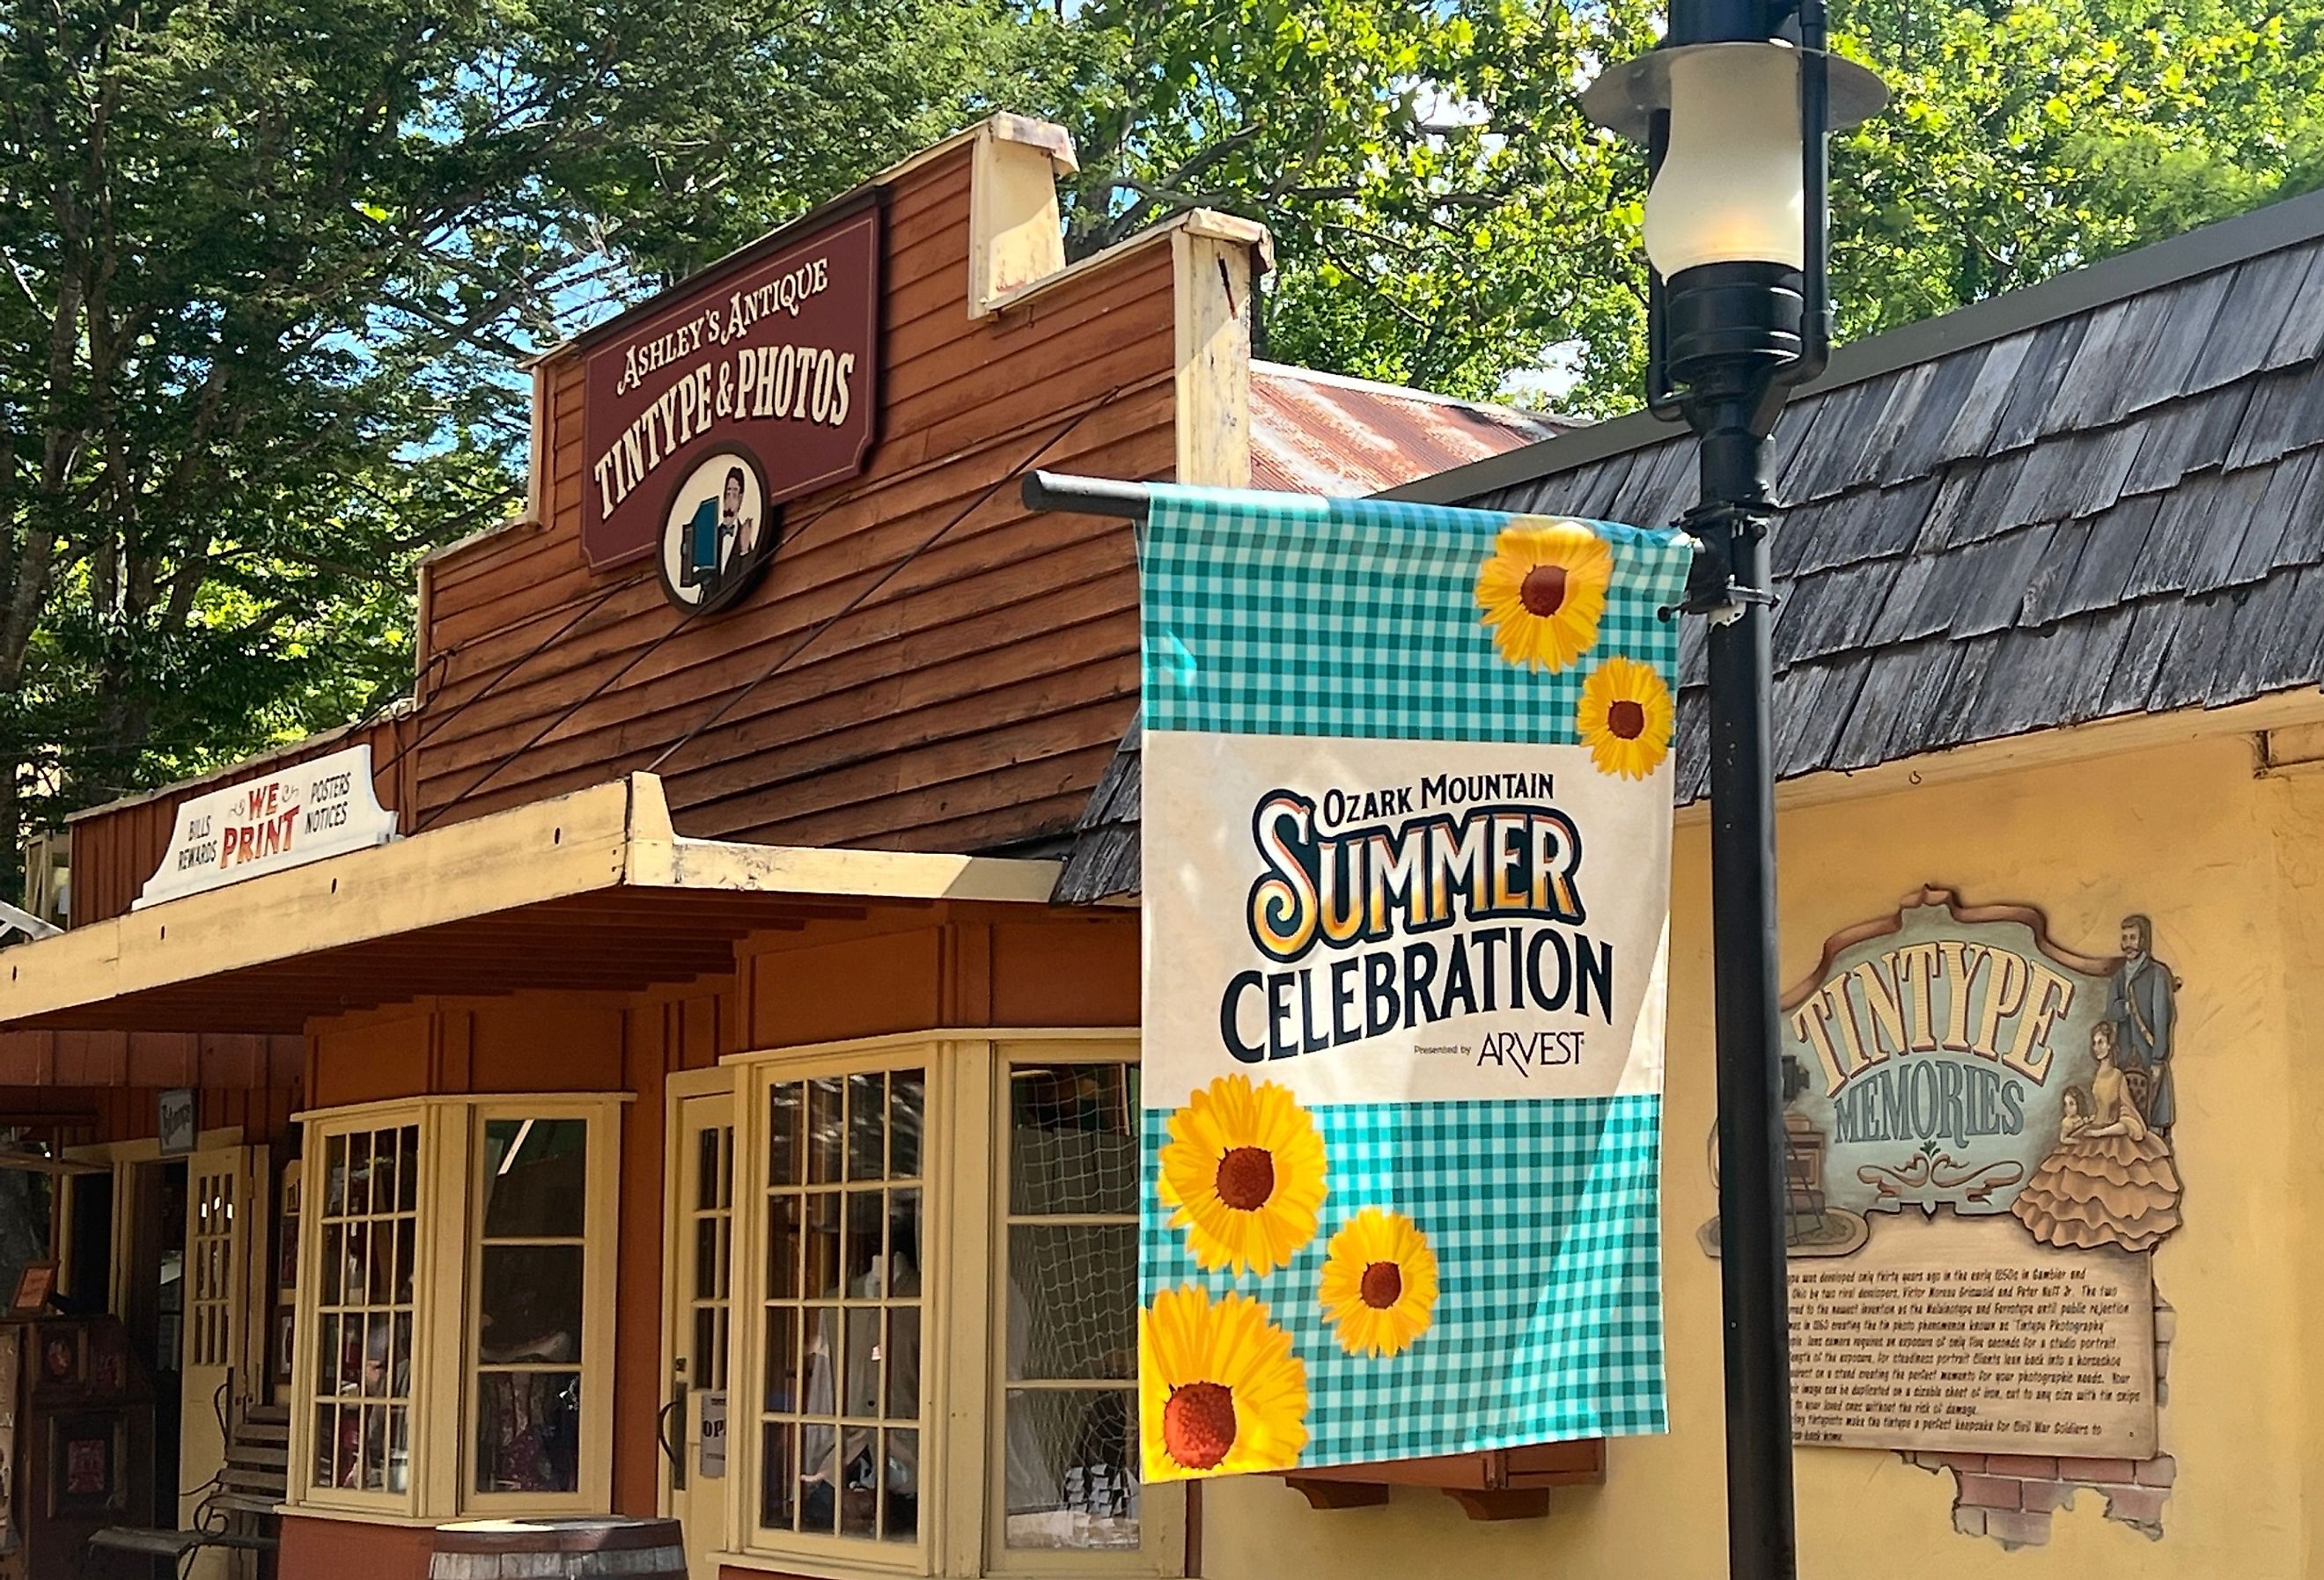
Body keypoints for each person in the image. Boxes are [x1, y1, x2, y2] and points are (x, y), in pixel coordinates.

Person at [2011, 1022, 2181, 1253]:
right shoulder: (2098, 1074)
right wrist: (2089, 1123)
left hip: (2112, 1134)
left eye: (2100, 1042)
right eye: (2094, 1043)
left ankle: (2108, 1237)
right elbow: (2099, 1107)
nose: (2096, 1047)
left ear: (2110, 1045)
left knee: (2109, 1188)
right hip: (2095, 1128)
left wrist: (2100, 1132)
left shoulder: (2118, 1076)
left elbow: (2126, 1114)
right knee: (2065, 1176)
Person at [2107, 913, 2178, 1134]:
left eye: (2132, 938)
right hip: (2126, 1055)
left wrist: (2158, 1058)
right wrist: (2125, 1008)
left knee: (2153, 1119)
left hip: (2149, 1055)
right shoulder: (2119, 977)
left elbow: (2162, 1017)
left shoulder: (2157, 974)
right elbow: (2111, 1010)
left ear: (2143, 940)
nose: (2128, 944)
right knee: (2129, 1119)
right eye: (2125, 938)